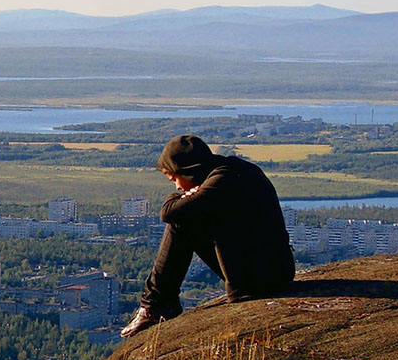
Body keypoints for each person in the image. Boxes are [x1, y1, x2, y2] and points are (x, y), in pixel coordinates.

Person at [120, 134, 295, 337]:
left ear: (187, 170)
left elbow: (168, 212)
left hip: (264, 278)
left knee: (181, 222)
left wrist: (180, 198)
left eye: (175, 179)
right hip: (272, 270)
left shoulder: (223, 180)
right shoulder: (233, 170)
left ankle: (154, 306)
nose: (177, 186)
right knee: (188, 217)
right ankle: (156, 304)